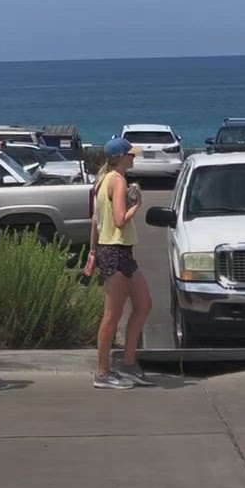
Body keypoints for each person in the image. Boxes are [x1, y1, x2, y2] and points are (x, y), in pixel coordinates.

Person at [91, 137, 153, 389]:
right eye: (131, 154)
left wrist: (92, 251)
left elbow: (95, 220)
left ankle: (129, 363)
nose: (134, 157)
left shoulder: (104, 180)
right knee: (111, 316)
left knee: (144, 304)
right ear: (120, 157)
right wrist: (136, 204)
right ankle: (102, 373)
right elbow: (118, 220)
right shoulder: (116, 180)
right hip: (115, 251)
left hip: (118, 251)